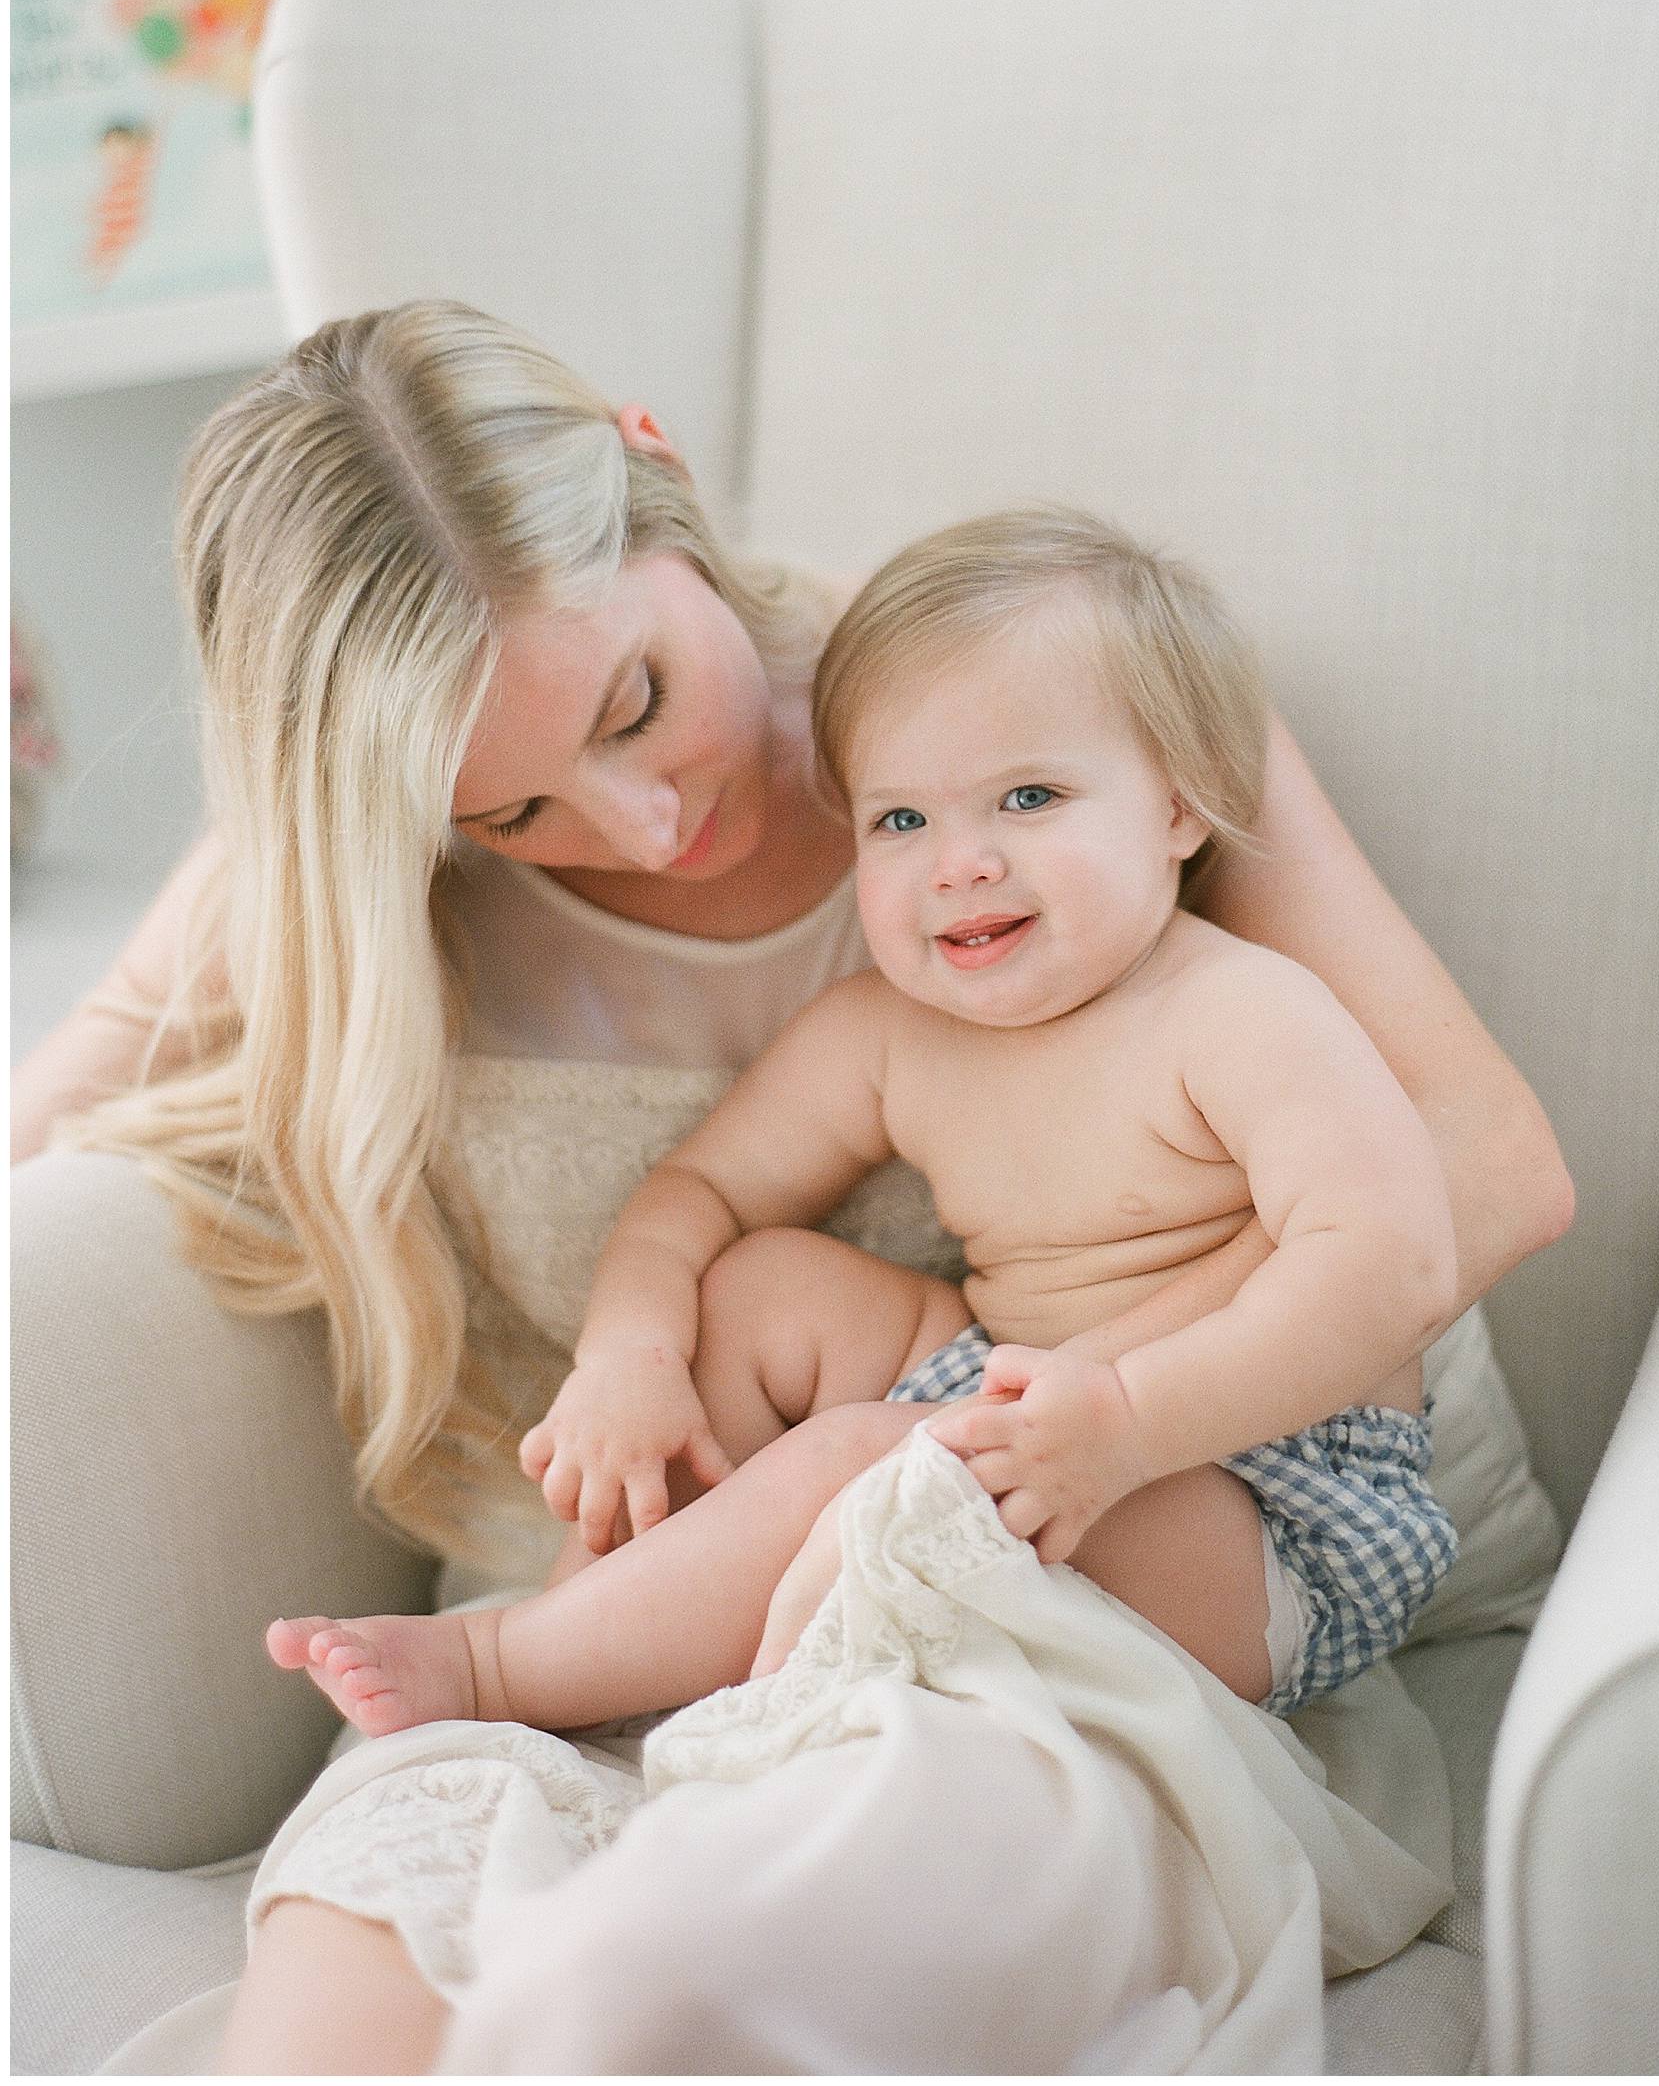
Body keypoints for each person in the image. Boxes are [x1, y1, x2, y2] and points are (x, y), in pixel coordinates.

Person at [9, 303, 1572, 2071]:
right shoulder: (374, 822)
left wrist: (1085, 1405)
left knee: (653, 1998)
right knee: (337, 2014)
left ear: (658, 472)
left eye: (638, 704)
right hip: (620, 1602)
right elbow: (76, 1079)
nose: (640, 824)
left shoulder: (1024, 702)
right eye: (515, 816)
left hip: (1038, 1601)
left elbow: (1487, 1170)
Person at [266, 508, 1465, 1739]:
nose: (958, 864)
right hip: (1019, 1402)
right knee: (761, 1288)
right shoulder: (889, 1033)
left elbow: (1394, 1262)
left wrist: (1129, 1426)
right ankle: (608, 1610)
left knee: (882, 1470)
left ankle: (508, 1670)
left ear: (1178, 808)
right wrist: (628, 1349)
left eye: (1029, 797)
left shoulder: (1241, 1012)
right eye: (902, 821)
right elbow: (700, 1196)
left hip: (1263, 1496)